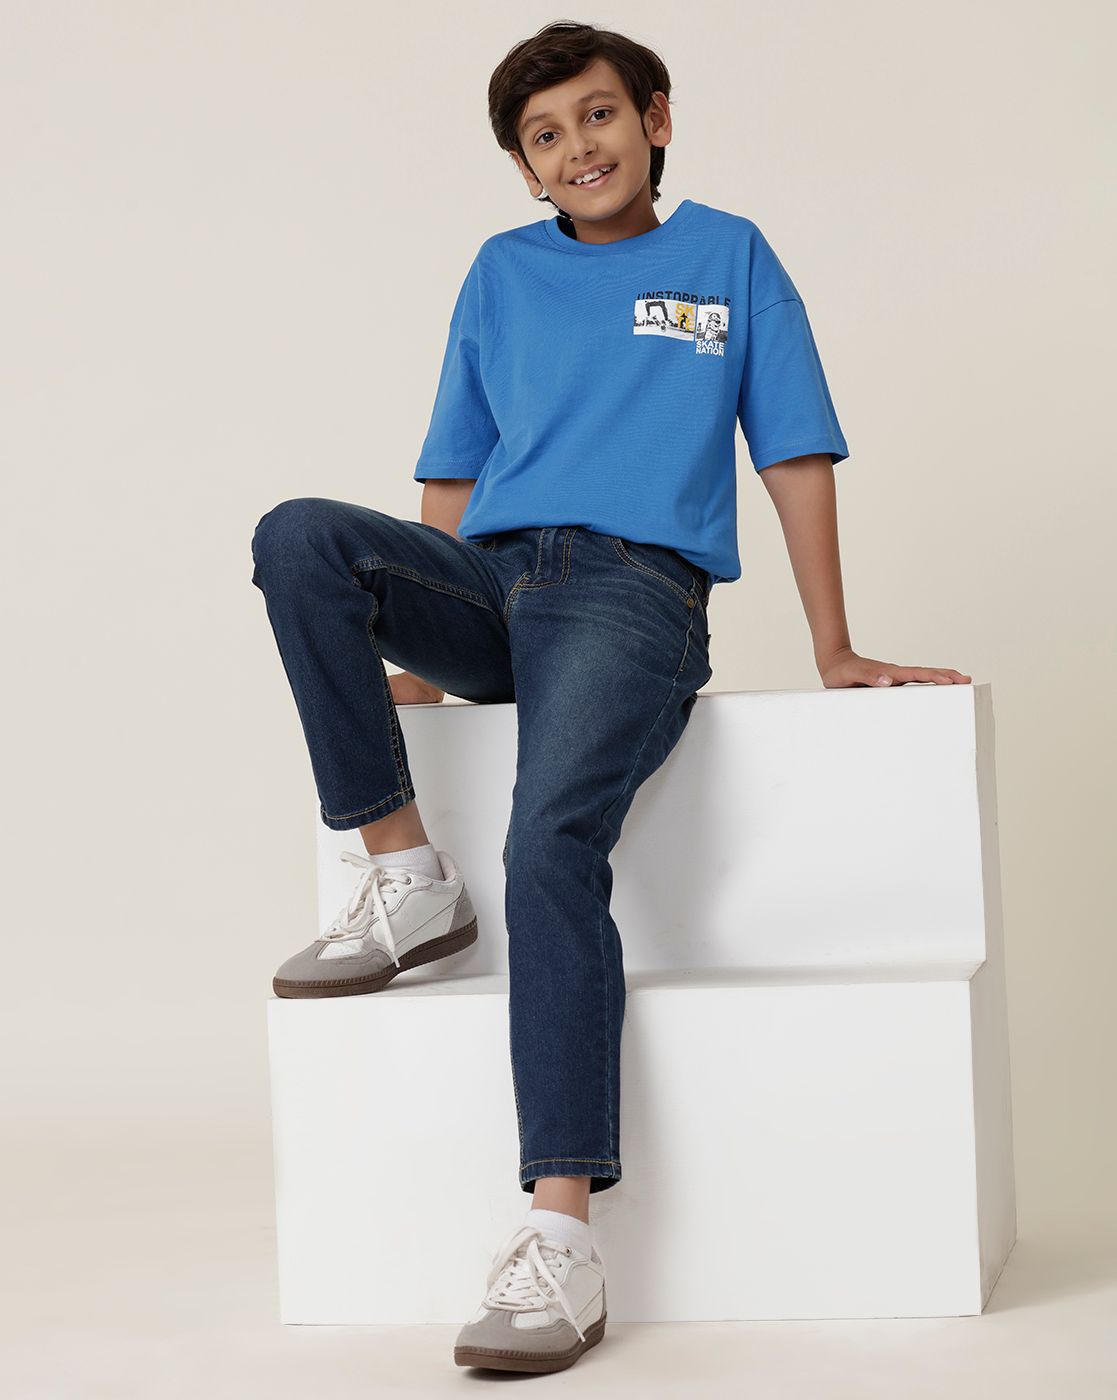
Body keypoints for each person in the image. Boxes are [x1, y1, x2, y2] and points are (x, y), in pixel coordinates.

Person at [249, 20, 972, 1375]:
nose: (577, 148)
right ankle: (403, 876)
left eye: (597, 116)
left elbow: (794, 449)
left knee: (548, 843)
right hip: (493, 580)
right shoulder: (500, 272)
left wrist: (833, 645)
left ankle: (560, 1232)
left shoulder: (729, 257)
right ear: (524, 170)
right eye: (544, 136)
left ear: (655, 119)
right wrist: (420, 650)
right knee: (297, 536)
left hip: (630, 594)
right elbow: (454, 468)